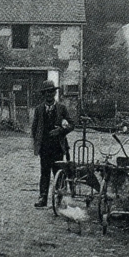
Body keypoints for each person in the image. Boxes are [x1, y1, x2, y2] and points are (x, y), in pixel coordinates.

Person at [31, 80, 74, 208]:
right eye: (47, 92)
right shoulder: (39, 110)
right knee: (44, 173)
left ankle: (59, 198)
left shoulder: (61, 108)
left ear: (55, 93)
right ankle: (42, 198)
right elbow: (34, 128)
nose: (49, 94)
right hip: (44, 148)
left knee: (58, 172)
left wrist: (61, 130)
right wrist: (38, 143)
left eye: (52, 91)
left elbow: (72, 124)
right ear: (43, 94)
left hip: (57, 148)